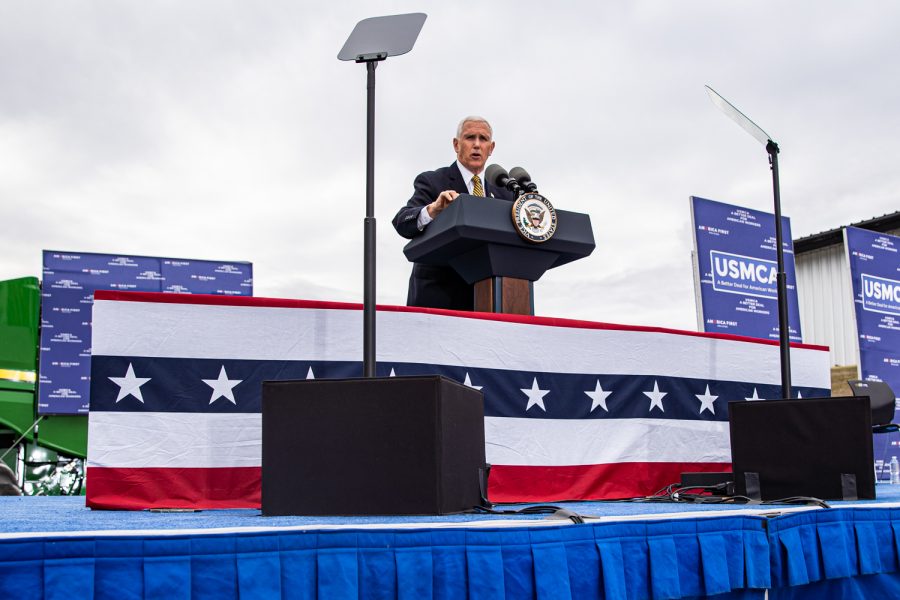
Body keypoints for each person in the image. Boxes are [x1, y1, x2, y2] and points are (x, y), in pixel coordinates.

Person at [392, 116, 515, 310]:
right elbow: (402, 222)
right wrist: (433, 209)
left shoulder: (505, 193)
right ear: (456, 144)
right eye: (470, 138)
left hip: (491, 300)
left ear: (491, 149)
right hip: (439, 301)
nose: (476, 145)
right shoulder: (433, 181)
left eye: (483, 139)